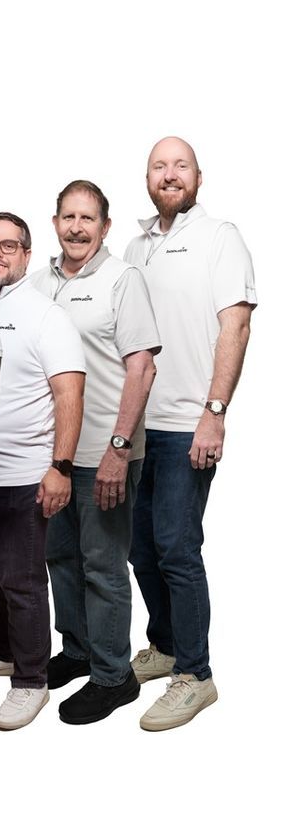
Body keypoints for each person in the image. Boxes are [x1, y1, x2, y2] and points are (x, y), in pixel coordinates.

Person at [122, 136, 255, 731]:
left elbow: (236, 326)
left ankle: (197, 675)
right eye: (158, 166)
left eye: (180, 165)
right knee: (138, 547)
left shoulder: (219, 237)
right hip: (139, 429)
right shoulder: (134, 244)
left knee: (177, 546)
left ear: (199, 176)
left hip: (186, 425)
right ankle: (169, 645)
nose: (169, 174)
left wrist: (215, 410)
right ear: (147, 177)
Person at [35, 180, 158, 725]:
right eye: (68, 217)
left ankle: (114, 675)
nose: (77, 227)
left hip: (105, 453)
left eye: (88, 218)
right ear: (56, 222)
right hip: (51, 457)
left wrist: (118, 449)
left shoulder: (122, 279)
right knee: (60, 558)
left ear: (105, 227)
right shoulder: (38, 284)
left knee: (103, 568)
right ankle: (79, 650)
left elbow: (142, 366)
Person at [0, 214, 85, 731]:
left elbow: (69, 391)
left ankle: (32, 679)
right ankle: (7, 648)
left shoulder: (43, 314)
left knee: (23, 580)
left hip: (22, 475)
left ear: (27, 255)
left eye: (8, 246)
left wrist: (60, 467)